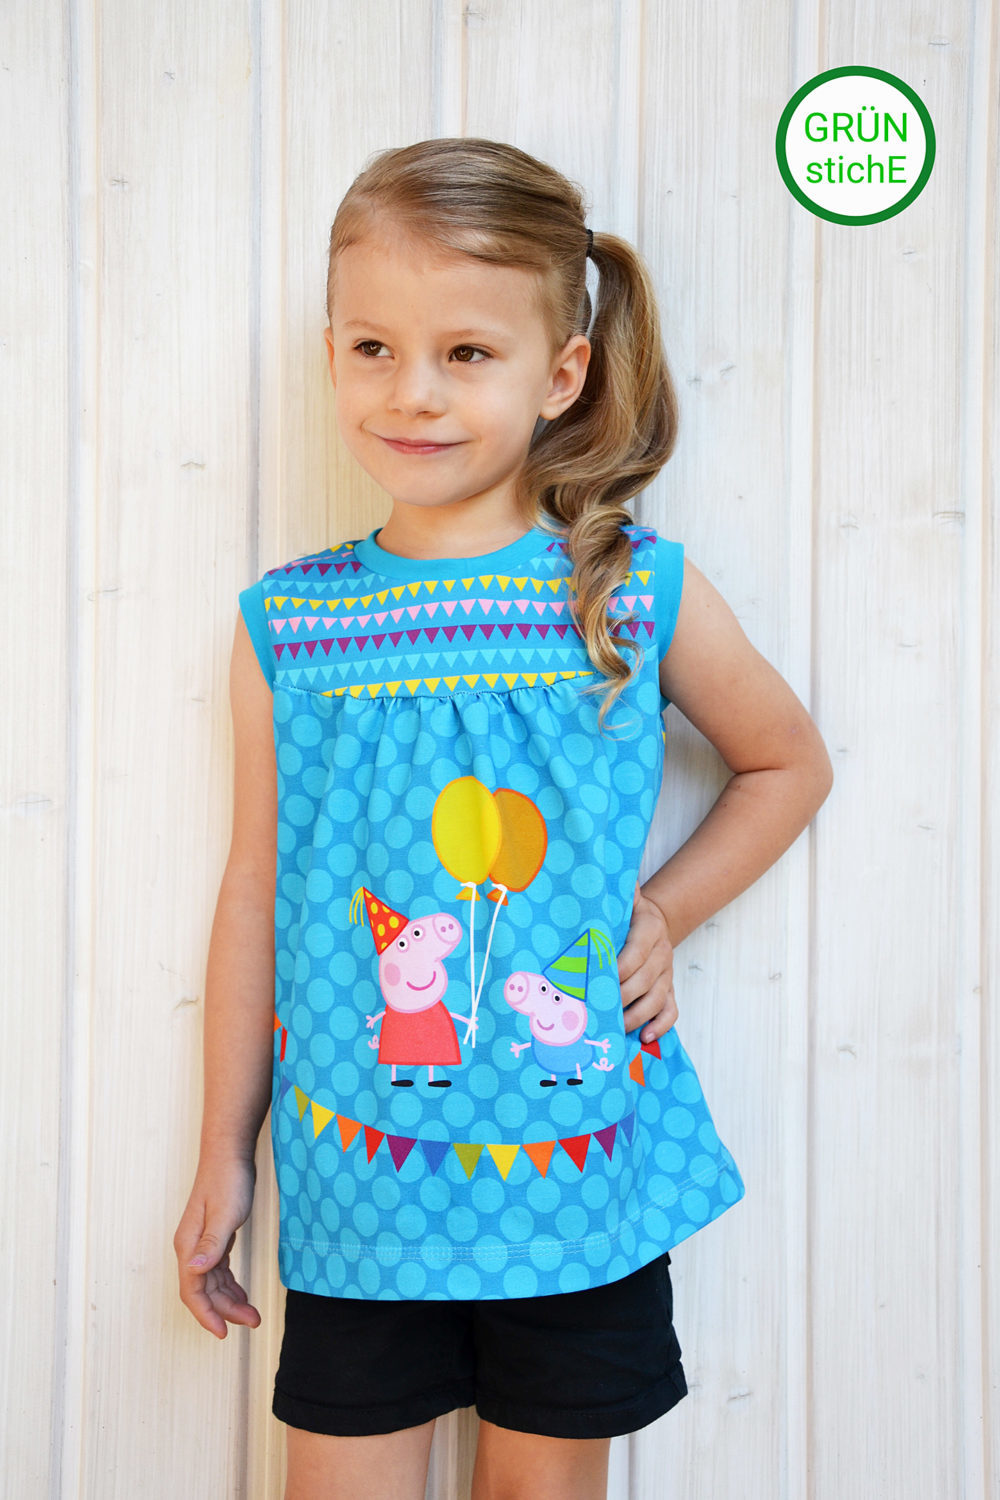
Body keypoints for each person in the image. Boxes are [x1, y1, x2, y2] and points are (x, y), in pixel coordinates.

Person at [174, 137, 832, 1500]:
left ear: (561, 374)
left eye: (466, 353)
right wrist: (222, 1155)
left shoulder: (629, 593)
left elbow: (787, 764)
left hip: (576, 1184)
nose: (411, 392)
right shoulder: (288, 625)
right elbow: (256, 890)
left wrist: (663, 914)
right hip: (360, 1186)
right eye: (372, 348)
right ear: (333, 354)